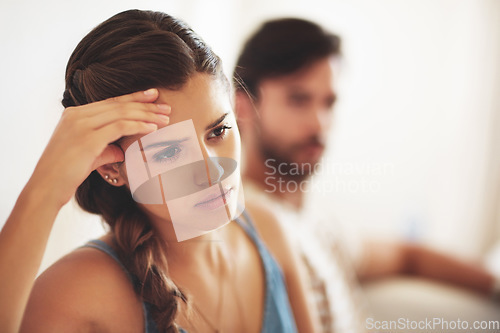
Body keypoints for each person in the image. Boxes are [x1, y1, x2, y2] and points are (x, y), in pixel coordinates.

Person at [0, 10, 318, 333]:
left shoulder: (269, 231)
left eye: (218, 131)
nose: (211, 171)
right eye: (169, 151)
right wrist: (44, 191)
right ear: (112, 166)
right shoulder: (75, 293)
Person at [233, 18, 499, 333]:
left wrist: (494, 284)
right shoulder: (241, 221)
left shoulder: (316, 223)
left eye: (328, 103)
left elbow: (407, 257)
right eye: (299, 99)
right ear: (243, 105)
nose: (319, 124)